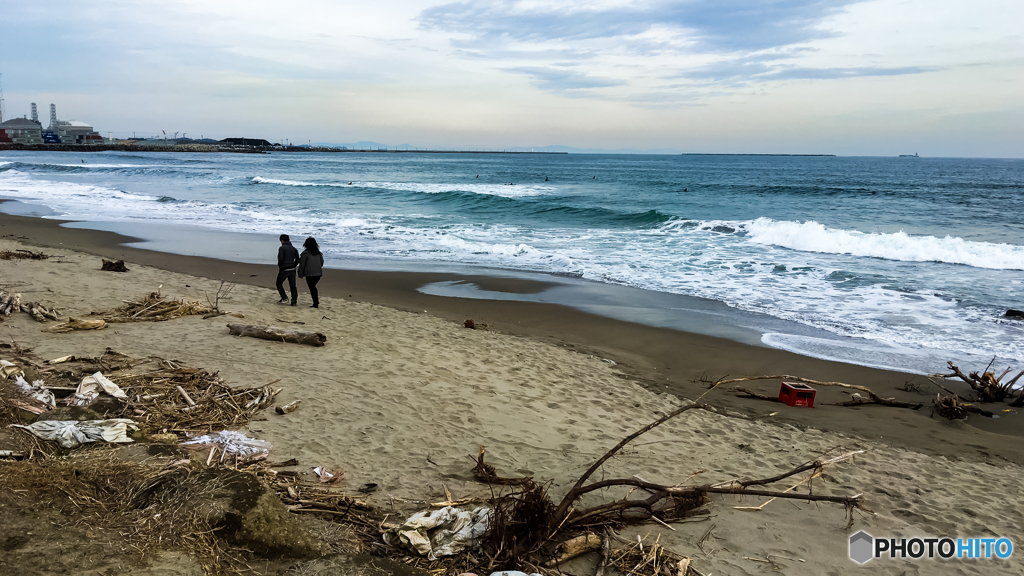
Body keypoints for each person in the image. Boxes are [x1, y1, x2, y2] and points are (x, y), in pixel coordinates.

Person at [298, 237, 324, 308]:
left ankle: (315, 303)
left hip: (310, 274)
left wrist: (300, 274)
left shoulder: (305, 254)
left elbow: (302, 265)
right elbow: (321, 263)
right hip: (318, 273)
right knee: (313, 287)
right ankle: (316, 302)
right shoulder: (319, 253)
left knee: (312, 287)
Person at [276, 234, 300, 305]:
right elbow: (297, 259)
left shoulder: (282, 248)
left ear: (282, 241)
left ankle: (284, 297)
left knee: (279, 283)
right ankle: (294, 301)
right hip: (292, 269)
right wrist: (294, 265)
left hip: (284, 268)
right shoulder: (294, 249)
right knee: (293, 286)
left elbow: (280, 259)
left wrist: (280, 266)